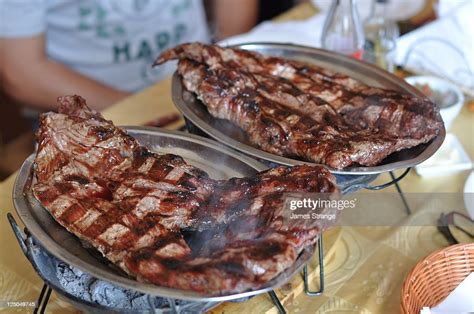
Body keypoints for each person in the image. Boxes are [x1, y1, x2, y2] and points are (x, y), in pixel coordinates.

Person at [0, 0, 258, 111]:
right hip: (90, 110)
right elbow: (21, 74)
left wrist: (224, 66)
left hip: (200, 85)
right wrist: (147, 110)